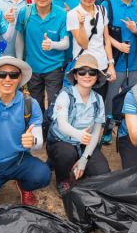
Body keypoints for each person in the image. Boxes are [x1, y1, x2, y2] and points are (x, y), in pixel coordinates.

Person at [0, 57, 50, 208]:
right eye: (2, 74)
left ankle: (24, 186)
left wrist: (33, 141)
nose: (7, 79)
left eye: (13, 75)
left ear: (19, 78)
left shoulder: (30, 103)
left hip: (18, 159)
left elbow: (37, 141)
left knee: (43, 175)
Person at [46, 54, 110, 193]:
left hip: (84, 144)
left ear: (96, 77)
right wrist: (78, 134)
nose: (87, 75)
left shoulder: (98, 100)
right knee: (66, 153)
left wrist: (84, 159)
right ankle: (62, 179)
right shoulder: (65, 94)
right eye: (82, 71)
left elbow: (96, 133)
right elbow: (62, 124)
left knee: (103, 173)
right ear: (75, 75)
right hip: (62, 141)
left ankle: (80, 166)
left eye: (92, 72)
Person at [15, 0, 70, 110]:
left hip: (54, 68)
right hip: (32, 68)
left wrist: (52, 45)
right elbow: (20, 37)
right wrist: (19, 63)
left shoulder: (62, 14)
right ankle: (38, 130)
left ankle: (51, 130)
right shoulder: (25, 12)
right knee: (35, 105)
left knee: (54, 105)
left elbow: (66, 43)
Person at [67, 0, 114, 83]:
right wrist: (81, 24)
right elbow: (84, 44)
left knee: (101, 99)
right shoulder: (73, 14)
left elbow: (106, 39)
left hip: (102, 65)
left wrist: (111, 64)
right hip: (83, 68)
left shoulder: (102, 10)